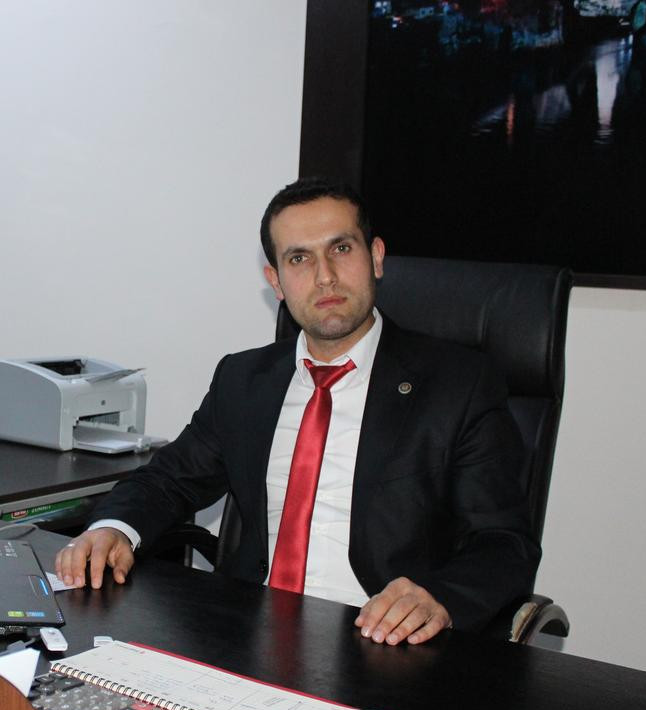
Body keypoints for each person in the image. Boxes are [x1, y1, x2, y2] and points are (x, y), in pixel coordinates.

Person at [54, 176, 539, 645]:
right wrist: (113, 528)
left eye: (341, 248)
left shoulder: (458, 385)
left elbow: (504, 542)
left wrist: (438, 598)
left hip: (381, 641)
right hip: (245, 634)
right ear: (277, 282)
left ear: (375, 257)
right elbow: (168, 480)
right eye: (299, 258)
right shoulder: (244, 380)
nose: (325, 276)